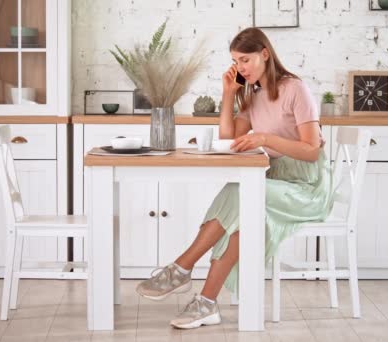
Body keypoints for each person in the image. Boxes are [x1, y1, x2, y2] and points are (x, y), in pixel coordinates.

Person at [136, 27, 333, 330]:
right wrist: (228, 94)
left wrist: (265, 137)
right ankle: (206, 302)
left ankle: (183, 269)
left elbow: (309, 151)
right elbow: (229, 139)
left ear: (264, 54)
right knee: (241, 207)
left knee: (241, 196)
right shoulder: (253, 95)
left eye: (245, 60)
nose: (240, 68)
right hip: (275, 181)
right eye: (235, 61)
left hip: (305, 188)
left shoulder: (296, 89)